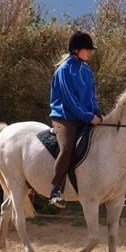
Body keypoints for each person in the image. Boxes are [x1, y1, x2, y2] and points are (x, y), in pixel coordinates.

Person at [48, 31, 102, 208]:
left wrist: (96, 112)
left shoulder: (86, 69)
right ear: (76, 50)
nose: (90, 52)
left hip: (85, 116)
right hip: (64, 117)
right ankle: (56, 190)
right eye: (88, 49)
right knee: (67, 147)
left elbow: (92, 95)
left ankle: (109, 188)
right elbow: (70, 101)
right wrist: (88, 117)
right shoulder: (64, 70)